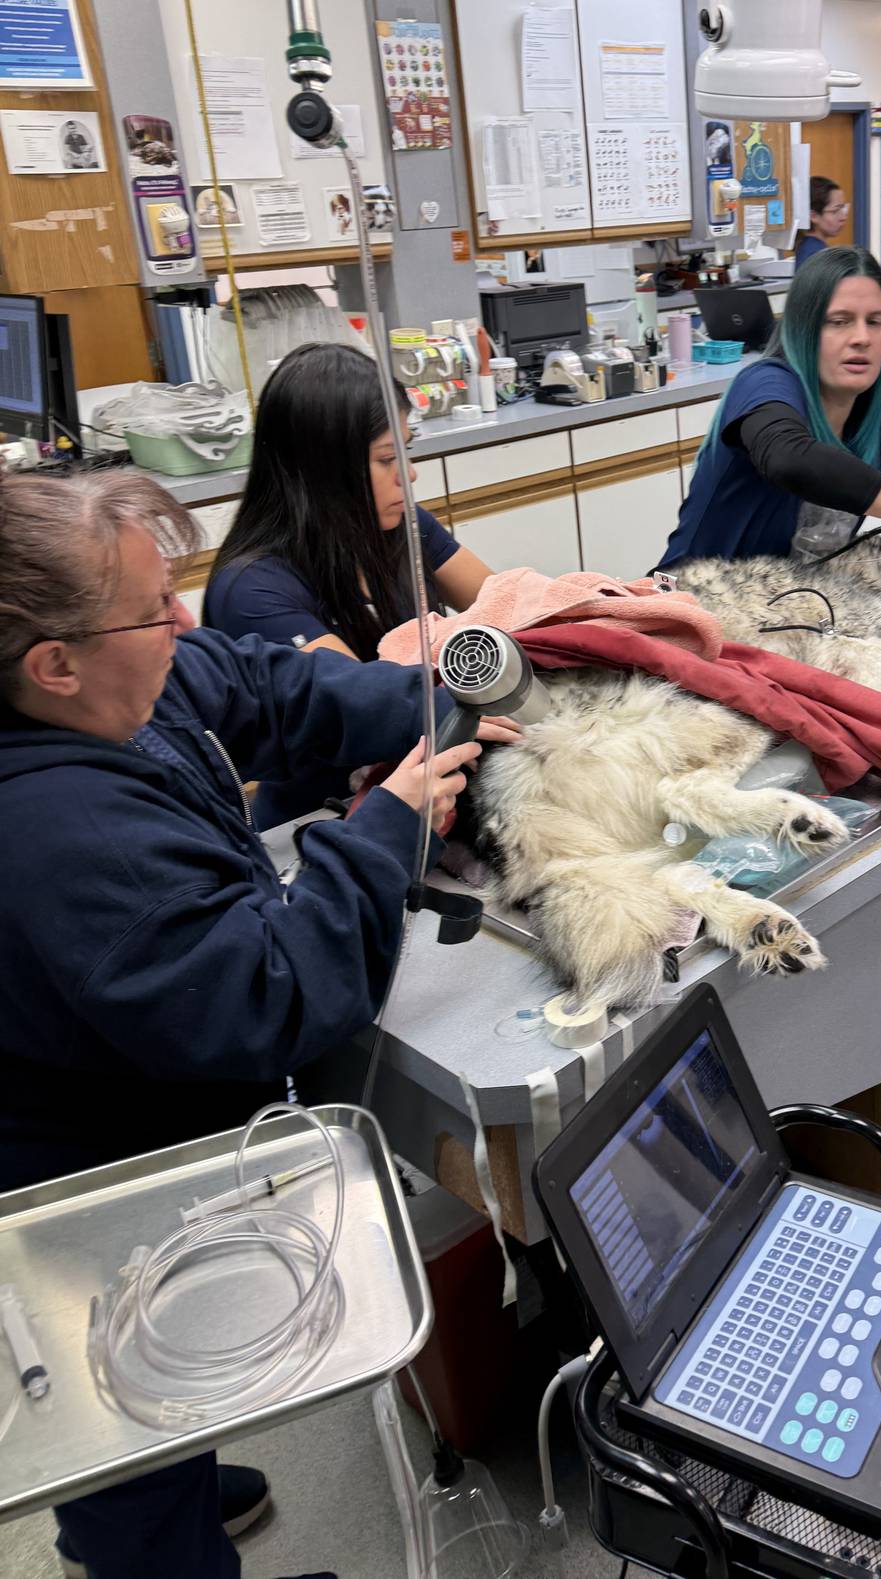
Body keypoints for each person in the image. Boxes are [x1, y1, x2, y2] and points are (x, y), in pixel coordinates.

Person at [0, 469, 515, 1576]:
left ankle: (158, 1484)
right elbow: (264, 993)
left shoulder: (112, 687)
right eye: (155, 611)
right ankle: (144, 1536)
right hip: (59, 1172)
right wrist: (382, 827)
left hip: (123, 1095)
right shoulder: (51, 831)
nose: (187, 623)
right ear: (54, 662)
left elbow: (279, 692)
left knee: (153, 1406)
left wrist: (449, 692)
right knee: (110, 1378)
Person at [205, 341, 495, 828]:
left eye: (408, 450)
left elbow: (507, 606)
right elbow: (369, 708)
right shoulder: (252, 590)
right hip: (323, 822)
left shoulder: (401, 526)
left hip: (433, 785)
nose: (410, 474)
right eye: (387, 459)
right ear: (323, 470)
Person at [657, 245, 881, 588]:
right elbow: (790, 458)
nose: (862, 338)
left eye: (875, 322)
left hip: (785, 619)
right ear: (803, 328)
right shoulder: (765, 383)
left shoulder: (879, 421)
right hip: (689, 609)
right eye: (839, 321)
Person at [794, 176, 848, 268]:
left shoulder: (811, 247)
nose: (843, 217)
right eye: (835, 211)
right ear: (813, 216)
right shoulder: (815, 254)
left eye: (843, 209)